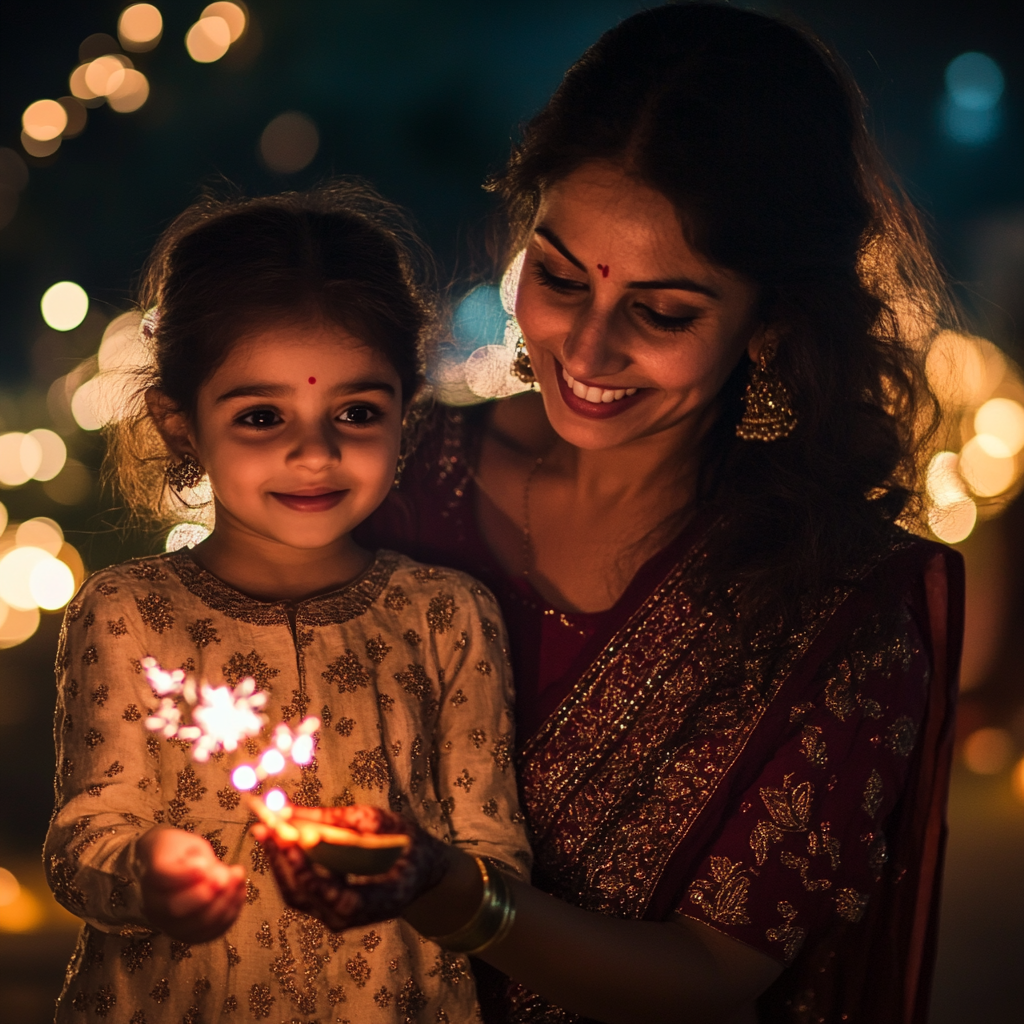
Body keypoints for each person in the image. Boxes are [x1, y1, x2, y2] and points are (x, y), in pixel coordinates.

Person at [340, 5, 964, 1023]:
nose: (584, 352)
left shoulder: (833, 607)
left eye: (662, 312)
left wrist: (463, 902)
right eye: (556, 276)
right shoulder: (390, 474)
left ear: (768, 324)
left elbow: (716, 976)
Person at [44, 183, 531, 1024]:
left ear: (407, 419)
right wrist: (148, 872)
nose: (316, 451)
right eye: (263, 415)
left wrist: (422, 877)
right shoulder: (127, 615)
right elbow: (83, 839)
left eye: (356, 411)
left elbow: (496, 855)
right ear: (179, 424)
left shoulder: (445, 616)